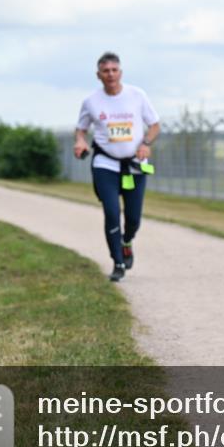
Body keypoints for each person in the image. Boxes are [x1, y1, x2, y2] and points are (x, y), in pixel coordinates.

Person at [74, 52, 161, 282]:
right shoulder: (91, 101)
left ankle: (127, 241)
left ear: (120, 72)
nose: (110, 74)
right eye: (106, 71)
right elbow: (81, 128)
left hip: (134, 165)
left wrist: (145, 143)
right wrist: (80, 140)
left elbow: (154, 125)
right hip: (105, 164)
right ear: (98, 75)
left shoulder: (137, 95)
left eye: (114, 70)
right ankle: (118, 262)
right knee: (112, 213)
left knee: (133, 219)